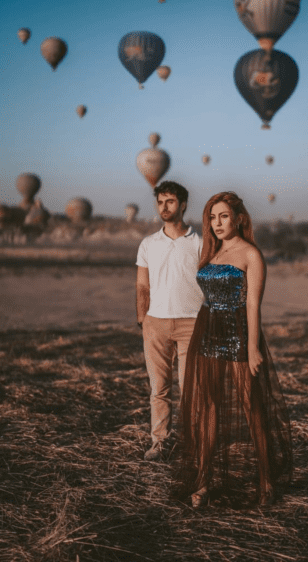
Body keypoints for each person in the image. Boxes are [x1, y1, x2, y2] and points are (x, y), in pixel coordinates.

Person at [175, 191, 292, 507]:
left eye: (223, 216)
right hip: (208, 333)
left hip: (239, 334)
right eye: (212, 217)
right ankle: (203, 482)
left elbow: (253, 304)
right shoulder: (211, 253)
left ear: (240, 218)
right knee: (208, 409)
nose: (217, 223)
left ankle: (266, 481)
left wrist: (253, 348)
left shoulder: (251, 254)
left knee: (251, 405)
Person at [136, 181, 203, 461]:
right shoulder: (148, 243)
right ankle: (160, 443)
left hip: (193, 324)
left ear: (183, 204)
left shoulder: (200, 242)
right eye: (160, 202)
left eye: (170, 202)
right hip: (156, 324)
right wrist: (143, 319)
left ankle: (194, 444)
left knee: (192, 390)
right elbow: (142, 285)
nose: (164, 207)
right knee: (159, 389)